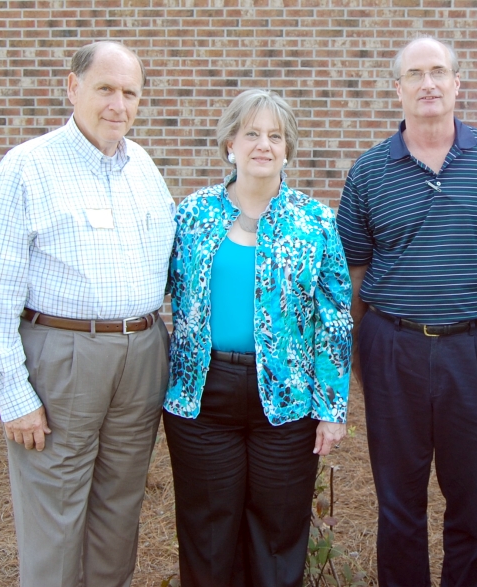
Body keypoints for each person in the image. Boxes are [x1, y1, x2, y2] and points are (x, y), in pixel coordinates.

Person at [0, 41, 175, 587]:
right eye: (105, 88)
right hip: (63, 357)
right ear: (72, 87)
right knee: (55, 518)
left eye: (129, 92)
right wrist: (13, 395)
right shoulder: (28, 168)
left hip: (142, 357)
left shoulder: (144, 168)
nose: (118, 103)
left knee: (119, 508)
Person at [336, 37, 477, 587]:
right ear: (396, 88)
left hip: (476, 351)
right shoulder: (369, 171)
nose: (428, 83)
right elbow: (352, 270)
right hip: (393, 347)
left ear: (456, 83)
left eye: (438, 72)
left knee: (471, 504)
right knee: (398, 503)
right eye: (415, 74)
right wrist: (360, 354)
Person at [162, 89, 352, 587]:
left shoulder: (314, 221)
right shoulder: (192, 215)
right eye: (252, 133)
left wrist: (331, 407)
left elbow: (333, 318)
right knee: (208, 534)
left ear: (288, 148)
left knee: (277, 534)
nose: (263, 144)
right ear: (230, 144)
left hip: (287, 402)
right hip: (202, 398)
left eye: (275, 135)